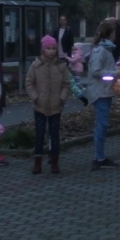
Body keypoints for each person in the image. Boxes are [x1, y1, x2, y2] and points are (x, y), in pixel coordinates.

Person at [25, 35, 71, 174]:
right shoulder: (36, 65)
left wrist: (62, 98)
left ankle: (54, 162)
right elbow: (29, 82)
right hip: (40, 106)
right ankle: (37, 162)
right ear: (43, 50)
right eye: (48, 48)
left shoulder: (61, 66)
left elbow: (66, 85)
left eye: (53, 48)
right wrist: (35, 97)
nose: (51, 51)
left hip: (56, 106)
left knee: (54, 134)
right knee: (39, 134)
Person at [85, 21, 119, 171]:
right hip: (100, 92)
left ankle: (100, 156)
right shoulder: (101, 51)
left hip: (105, 91)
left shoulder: (106, 50)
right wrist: (115, 74)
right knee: (102, 124)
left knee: (102, 125)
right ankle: (98, 158)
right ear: (111, 34)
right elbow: (97, 72)